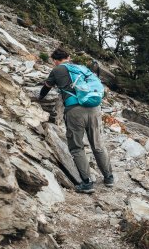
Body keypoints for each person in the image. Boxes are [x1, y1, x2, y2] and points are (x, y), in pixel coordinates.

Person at [39, 47, 114, 194]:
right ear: (68, 56)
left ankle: (87, 183)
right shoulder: (82, 68)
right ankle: (109, 177)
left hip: (74, 110)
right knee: (97, 144)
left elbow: (46, 87)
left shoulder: (57, 70)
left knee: (77, 146)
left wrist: (39, 98)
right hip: (94, 108)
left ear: (55, 60)